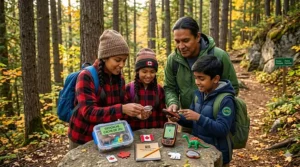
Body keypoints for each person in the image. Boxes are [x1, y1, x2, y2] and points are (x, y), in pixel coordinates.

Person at [68, 30, 144, 149]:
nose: (122, 65)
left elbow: (122, 106)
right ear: (104, 57)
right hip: (83, 138)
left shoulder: (120, 79)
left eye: (124, 60)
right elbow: (89, 112)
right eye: (118, 60)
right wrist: (122, 109)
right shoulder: (86, 76)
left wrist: (135, 114)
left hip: (108, 138)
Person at [168, 55, 236, 166]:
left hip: (218, 154)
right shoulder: (198, 94)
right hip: (199, 149)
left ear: (215, 79)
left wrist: (199, 117)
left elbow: (223, 129)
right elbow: (192, 120)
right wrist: (178, 118)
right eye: (195, 77)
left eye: (201, 78)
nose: (197, 82)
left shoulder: (226, 100)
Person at [164, 16, 239, 116]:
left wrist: (213, 109)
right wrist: (173, 102)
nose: (181, 46)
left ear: (198, 37)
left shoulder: (219, 56)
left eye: (186, 40)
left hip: (215, 121)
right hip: (188, 119)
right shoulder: (173, 60)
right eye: (177, 41)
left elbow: (232, 87)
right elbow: (169, 87)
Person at [124, 48, 167, 130]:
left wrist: (162, 132)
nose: (148, 75)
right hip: (135, 133)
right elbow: (124, 116)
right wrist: (137, 116)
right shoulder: (128, 88)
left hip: (155, 134)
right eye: (144, 71)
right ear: (137, 71)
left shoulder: (159, 89)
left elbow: (162, 116)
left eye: (152, 71)